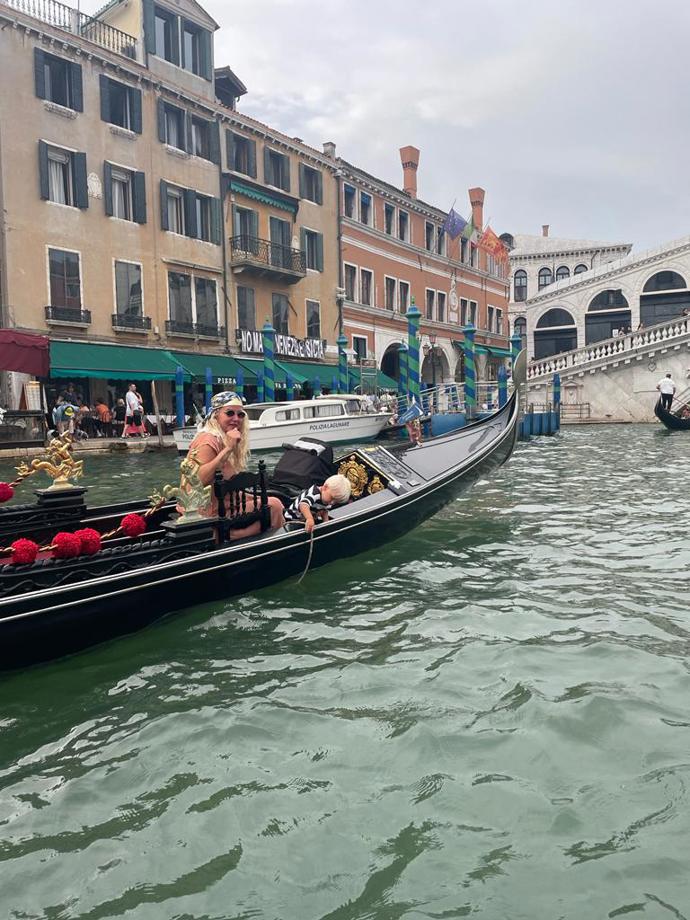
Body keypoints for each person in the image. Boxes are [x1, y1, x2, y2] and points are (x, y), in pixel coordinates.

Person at [180, 391, 284, 535]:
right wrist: (228, 448)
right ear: (216, 415)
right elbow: (197, 480)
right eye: (229, 413)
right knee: (275, 505)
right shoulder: (208, 440)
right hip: (205, 512)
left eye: (240, 414)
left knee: (273, 499)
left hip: (222, 503)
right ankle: (239, 537)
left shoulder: (221, 437)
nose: (236, 418)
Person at [284, 474, 352, 533]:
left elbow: (324, 511)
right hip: (292, 519)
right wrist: (309, 519)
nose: (332, 502)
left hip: (305, 518)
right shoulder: (314, 493)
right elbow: (303, 505)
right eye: (332, 498)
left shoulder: (327, 499)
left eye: (335, 501)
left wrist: (326, 523)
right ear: (325, 487)